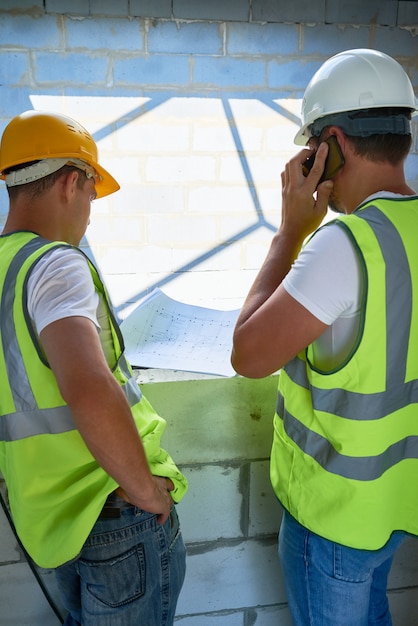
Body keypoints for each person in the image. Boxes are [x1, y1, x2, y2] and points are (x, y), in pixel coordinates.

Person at [231, 48, 418, 625]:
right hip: (396, 505)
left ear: (331, 143)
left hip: (334, 520)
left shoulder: (344, 245)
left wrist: (290, 231)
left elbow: (249, 354)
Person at [0, 109, 188, 625]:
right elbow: (87, 387)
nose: (90, 211)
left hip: (50, 520)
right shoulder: (55, 264)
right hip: (114, 509)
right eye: (91, 194)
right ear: (69, 182)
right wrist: (147, 490)